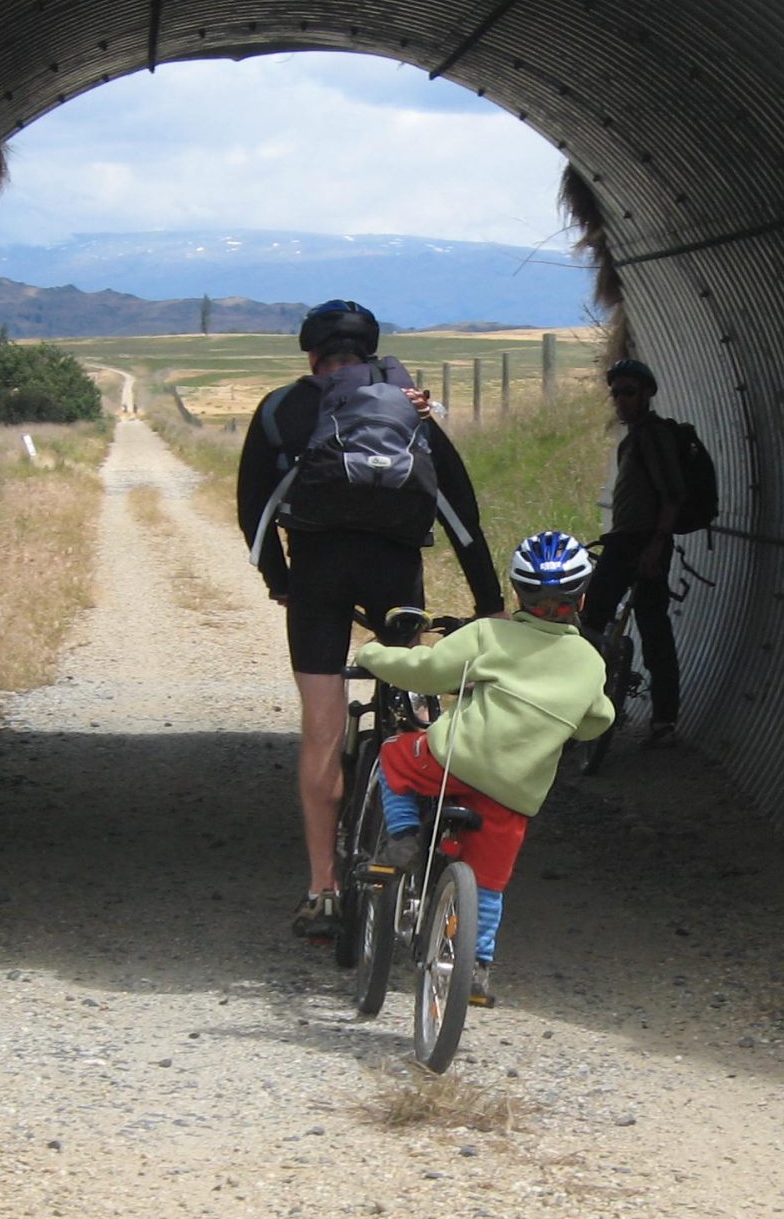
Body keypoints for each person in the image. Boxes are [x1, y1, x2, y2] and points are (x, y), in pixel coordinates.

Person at [236, 300, 504, 938]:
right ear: (371, 351)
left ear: (312, 356)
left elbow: (255, 512)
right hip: (394, 573)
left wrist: (282, 579)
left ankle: (323, 888)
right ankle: (421, 855)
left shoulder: (283, 408)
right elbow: (457, 511)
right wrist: (490, 603)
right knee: (411, 708)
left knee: (323, 728)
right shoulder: (409, 408)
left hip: (319, 575)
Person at [355, 531, 614, 1005]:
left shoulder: (487, 634)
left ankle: (405, 834)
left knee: (394, 753)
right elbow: (597, 722)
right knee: (490, 882)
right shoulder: (590, 662)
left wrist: (372, 655)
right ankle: (475, 968)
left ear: (516, 591)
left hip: (456, 761)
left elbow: (426, 673)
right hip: (515, 792)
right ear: (583, 596)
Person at [581, 357, 685, 746]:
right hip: (633, 541)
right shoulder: (637, 437)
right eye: (616, 394)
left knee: (597, 621)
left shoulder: (652, 437)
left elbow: (672, 496)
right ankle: (657, 718)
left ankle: (660, 720)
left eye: (629, 392)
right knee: (649, 625)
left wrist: (654, 548)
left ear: (647, 394)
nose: (621, 401)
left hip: (639, 544)